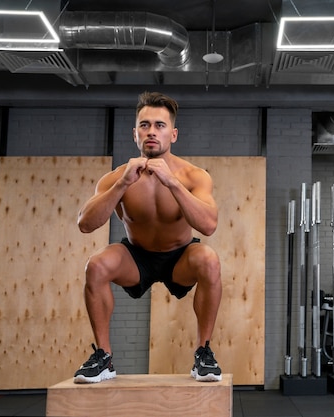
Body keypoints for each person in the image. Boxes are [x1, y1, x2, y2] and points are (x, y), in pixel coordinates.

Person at [73, 91, 223, 384]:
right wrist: (122, 184)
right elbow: (85, 224)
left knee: (209, 260)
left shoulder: (194, 176)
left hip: (180, 257)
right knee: (96, 265)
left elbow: (208, 226)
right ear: (135, 133)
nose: (151, 131)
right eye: (144, 125)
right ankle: (104, 358)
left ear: (173, 134)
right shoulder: (116, 177)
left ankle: (203, 353)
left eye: (159, 125)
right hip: (137, 256)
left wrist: (172, 183)